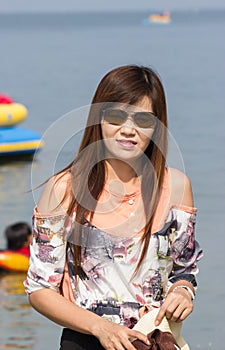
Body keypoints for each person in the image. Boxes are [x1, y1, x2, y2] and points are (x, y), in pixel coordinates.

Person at [24, 65, 203, 350]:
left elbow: (184, 270)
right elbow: (40, 290)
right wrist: (101, 327)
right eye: (117, 116)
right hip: (85, 342)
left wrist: (183, 292)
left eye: (143, 120)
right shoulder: (64, 189)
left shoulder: (177, 187)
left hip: (153, 341)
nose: (128, 130)